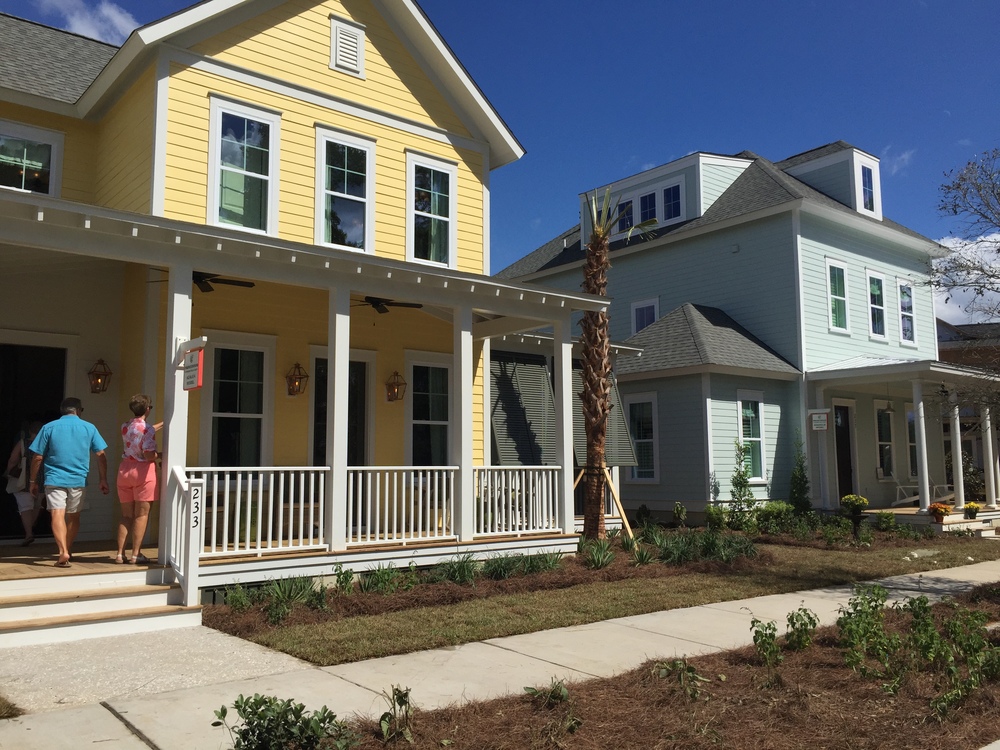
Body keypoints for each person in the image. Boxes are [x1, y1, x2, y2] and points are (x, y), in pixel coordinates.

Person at [29, 397, 109, 567]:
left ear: (62, 410)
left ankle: (62, 551)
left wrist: (32, 481)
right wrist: (103, 479)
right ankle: (69, 548)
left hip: (54, 478)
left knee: (57, 513)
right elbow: (101, 455)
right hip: (78, 479)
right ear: (79, 410)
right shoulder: (89, 427)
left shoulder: (49, 427)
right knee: (74, 516)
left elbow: (37, 457)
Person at [115, 394, 162, 565]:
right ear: (147, 409)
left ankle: (120, 554)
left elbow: (139, 431)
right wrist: (160, 455)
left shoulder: (125, 426)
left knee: (126, 515)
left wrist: (160, 425)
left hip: (125, 470)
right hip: (142, 471)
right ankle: (136, 554)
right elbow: (149, 454)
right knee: (141, 515)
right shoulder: (147, 429)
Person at [5, 421, 43, 545]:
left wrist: (9, 471)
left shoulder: (23, 443)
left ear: (30, 431)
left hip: (24, 480)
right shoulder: (47, 444)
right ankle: (30, 529)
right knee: (37, 506)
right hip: (43, 479)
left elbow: (13, 459)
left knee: (25, 507)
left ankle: (28, 534)